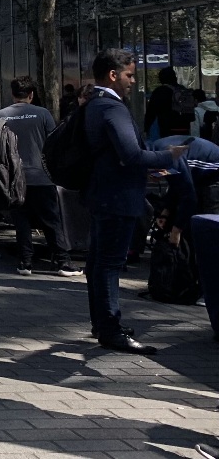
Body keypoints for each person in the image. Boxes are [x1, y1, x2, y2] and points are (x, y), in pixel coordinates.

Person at [83, 48, 187, 355]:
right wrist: (170, 156)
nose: (132, 81)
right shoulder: (112, 108)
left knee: (99, 263)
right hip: (118, 197)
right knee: (109, 265)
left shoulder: (92, 105)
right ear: (113, 75)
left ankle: (104, 324)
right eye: (129, 75)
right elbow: (130, 154)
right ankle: (110, 328)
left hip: (103, 195)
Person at [0, 76, 81, 277]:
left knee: (21, 222)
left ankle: (25, 262)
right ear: (32, 95)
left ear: (12, 94)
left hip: (14, 179)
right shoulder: (42, 114)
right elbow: (53, 144)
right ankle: (63, 262)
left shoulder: (0, 115)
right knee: (51, 220)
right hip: (42, 177)